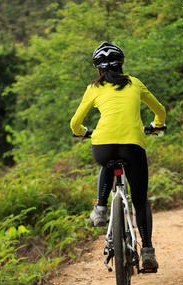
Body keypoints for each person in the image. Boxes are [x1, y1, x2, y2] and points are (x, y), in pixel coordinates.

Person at [70, 41, 166, 270]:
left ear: (98, 69)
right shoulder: (134, 83)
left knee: (106, 163)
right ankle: (147, 251)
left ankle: (101, 208)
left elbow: (75, 123)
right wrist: (156, 125)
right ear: (121, 64)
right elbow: (160, 111)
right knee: (140, 200)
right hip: (133, 145)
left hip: (103, 145)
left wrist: (82, 133)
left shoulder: (94, 88)